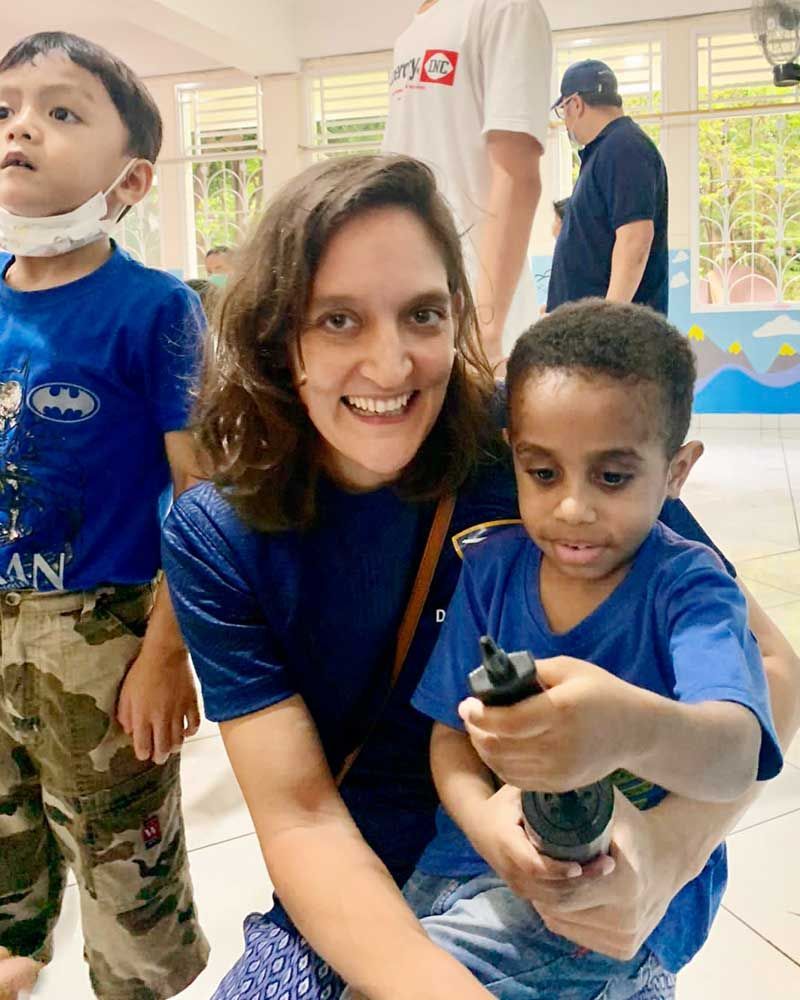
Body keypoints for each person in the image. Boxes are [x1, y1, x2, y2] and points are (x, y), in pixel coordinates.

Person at [162, 155, 800, 1000]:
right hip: (364, 879)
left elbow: (772, 672)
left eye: (421, 314)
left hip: (578, 885)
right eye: (340, 320)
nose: (391, 366)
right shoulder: (221, 535)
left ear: (457, 314)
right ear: (282, 335)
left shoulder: (537, 450)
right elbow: (301, 817)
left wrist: (668, 850)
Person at [404, 300, 782, 999]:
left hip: (602, 897)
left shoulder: (690, 590)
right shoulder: (491, 571)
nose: (573, 508)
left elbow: (736, 758)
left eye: (612, 477)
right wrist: (487, 824)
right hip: (459, 868)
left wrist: (624, 729)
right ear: (513, 451)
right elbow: (450, 740)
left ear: (676, 471)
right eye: (543, 474)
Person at [0, 32, 209, 1000]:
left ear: (128, 179)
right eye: (5, 109)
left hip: (104, 635)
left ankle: (139, 981)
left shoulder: (156, 308)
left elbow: (201, 497)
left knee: (122, 852)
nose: (20, 127)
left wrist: (168, 652)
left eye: (61, 110)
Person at [382, 0, 552, 368]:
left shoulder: (504, 9)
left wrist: (484, 332)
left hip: (475, 323)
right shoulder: (410, 35)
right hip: (416, 308)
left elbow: (517, 175)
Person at [547, 60, 669, 315]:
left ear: (576, 104)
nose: (566, 123)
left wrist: (608, 323)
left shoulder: (624, 146)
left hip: (614, 340)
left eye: (563, 111)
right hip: (590, 330)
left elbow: (635, 239)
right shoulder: (606, 151)